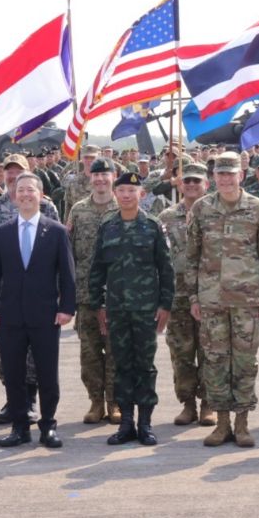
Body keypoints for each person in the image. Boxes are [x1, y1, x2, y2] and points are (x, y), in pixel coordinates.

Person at [185, 151, 259, 448]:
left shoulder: (258, 209)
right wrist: (193, 296)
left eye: (230, 173)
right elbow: (191, 256)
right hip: (211, 299)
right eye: (220, 174)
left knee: (245, 361)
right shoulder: (201, 208)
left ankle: (242, 423)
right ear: (213, 177)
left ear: (241, 175)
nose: (225, 179)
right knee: (215, 360)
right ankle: (222, 423)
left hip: (246, 300)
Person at [0, 173, 75, 449]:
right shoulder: (2, 233)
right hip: (10, 315)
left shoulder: (56, 231)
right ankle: (19, 428)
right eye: (20, 190)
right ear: (14, 195)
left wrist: (66, 308)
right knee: (14, 374)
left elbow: (67, 274)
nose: (25, 195)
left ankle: (48, 426)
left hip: (45, 314)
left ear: (40, 194)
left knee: (47, 374)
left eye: (30, 190)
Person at [88, 172, 174, 446]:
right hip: (116, 309)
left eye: (131, 190)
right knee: (122, 364)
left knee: (145, 366)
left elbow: (166, 268)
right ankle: (126, 422)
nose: (126, 195)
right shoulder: (107, 227)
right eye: (122, 190)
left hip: (146, 309)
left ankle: (145, 423)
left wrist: (165, 305)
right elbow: (97, 269)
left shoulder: (152, 226)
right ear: (115, 194)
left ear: (141, 194)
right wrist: (98, 305)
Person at [156, 162, 213, 427]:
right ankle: (188, 403)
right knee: (181, 353)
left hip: (209, 294)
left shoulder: (215, 213)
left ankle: (208, 404)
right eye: (186, 181)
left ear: (206, 184)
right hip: (177, 295)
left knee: (210, 351)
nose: (191, 185)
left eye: (196, 181)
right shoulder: (166, 217)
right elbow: (158, 259)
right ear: (179, 184)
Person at [66, 157, 119, 425]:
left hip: (118, 296)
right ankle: (96, 402)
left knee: (116, 352)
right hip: (86, 295)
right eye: (96, 175)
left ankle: (115, 402)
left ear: (113, 177)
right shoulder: (78, 210)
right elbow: (68, 253)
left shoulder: (124, 207)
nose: (100, 179)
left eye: (105, 175)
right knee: (89, 353)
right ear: (90, 178)